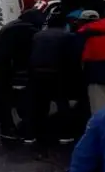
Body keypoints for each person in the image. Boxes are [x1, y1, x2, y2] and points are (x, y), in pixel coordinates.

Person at [0, 8, 45, 141]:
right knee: (22, 96)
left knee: (1, 98)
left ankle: (7, 128)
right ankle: (25, 127)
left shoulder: (9, 26)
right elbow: (28, 52)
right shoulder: (29, 30)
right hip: (9, 67)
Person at [28, 13, 81, 146]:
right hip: (57, 73)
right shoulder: (68, 36)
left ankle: (32, 135)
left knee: (39, 105)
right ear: (64, 24)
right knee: (62, 103)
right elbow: (72, 57)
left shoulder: (37, 36)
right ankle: (65, 135)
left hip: (37, 73)